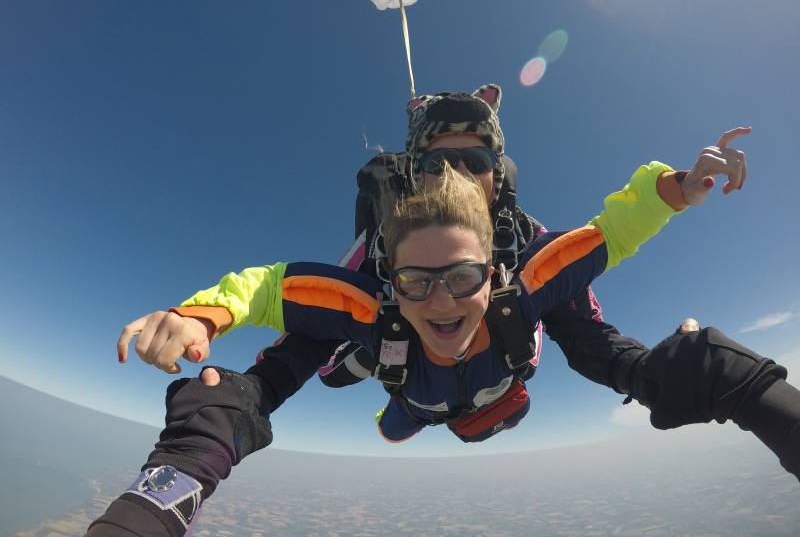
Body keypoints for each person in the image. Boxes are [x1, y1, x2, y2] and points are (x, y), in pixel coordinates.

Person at [87, 130, 800, 537]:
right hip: (412, 394)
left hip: (489, 387)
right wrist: (199, 316)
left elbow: (606, 235)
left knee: (691, 360)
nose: (440, 299)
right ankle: (172, 485)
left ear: (495, 271)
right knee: (254, 388)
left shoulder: (530, 284)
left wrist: (677, 188)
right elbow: (273, 288)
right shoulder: (370, 305)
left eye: (462, 276)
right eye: (415, 282)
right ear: (388, 279)